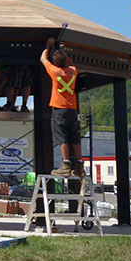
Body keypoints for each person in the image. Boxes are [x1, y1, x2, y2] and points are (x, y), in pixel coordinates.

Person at [40, 36, 82, 177]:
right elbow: (70, 63)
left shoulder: (54, 72)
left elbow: (43, 59)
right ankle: (79, 164)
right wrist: (63, 51)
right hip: (72, 110)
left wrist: (48, 45)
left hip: (59, 109)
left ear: (56, 63)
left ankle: (65, 164)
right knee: (74, 137)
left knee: (61, 137)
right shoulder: (73, 72)